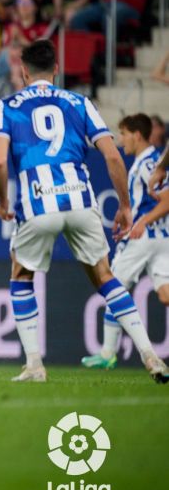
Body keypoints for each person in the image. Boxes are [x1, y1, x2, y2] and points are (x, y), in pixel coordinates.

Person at [0, 40, 167, 383]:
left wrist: (1, 201)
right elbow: (113, 156)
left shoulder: (7, 106)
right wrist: (126, 206)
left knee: (21, 275)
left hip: (38, 200)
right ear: (56, 69)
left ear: (24, 72)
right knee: (104, 275)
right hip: (81, 200)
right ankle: (149, 355)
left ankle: (35, 365)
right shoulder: (80, 102)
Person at [82, 114, 169, 370]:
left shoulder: (148, 164)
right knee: (165, 294)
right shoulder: (154, 161)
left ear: (137, 134)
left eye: (123, 134)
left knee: (113, 286)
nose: (121, 141)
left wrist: (142, 222)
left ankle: (108, 352)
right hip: (163, 239)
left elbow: (166, 200)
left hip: (145, 238)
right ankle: (108, 352)